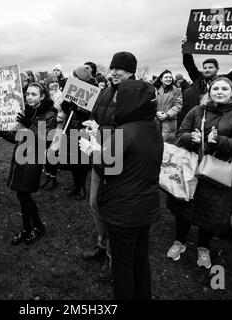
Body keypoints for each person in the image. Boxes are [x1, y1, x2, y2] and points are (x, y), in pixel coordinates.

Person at [80, 78, 163, 300]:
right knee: (140, 259)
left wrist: (92, 150)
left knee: (123, 266)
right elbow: (128, 159)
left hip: (124, 210)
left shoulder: (125, 133)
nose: (117, 102)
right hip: (144, 206)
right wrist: (102, 144)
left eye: (120, 98)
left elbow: (107, 167)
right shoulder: (151, 127)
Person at [166, 77, 232, 269]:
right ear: (209, 92)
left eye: (224, 88)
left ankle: (203, 247)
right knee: (184, 206)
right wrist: (192, 138)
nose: (219, 92)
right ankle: (179, 242)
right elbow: (180, 135)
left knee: (210, 213)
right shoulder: (197, 111)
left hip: (217, 173)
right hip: (190, 169)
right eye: (215, 88)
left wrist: (219, 141)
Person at [84, 51, 139, 281]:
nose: (116, 73)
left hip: (121, 164)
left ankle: (114, 258)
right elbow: (97, 117)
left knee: (115, 212)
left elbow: (134, 129)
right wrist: (92, 125)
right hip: (99, 158)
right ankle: (102, 244)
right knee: (95, 203)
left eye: (122, 70)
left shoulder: (137, 95)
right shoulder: (105, 92)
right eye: (114, 68)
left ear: (131, 72)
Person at [0, 82, 57, 245]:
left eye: (34, 94)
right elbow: (13, 137)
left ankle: (37, 227)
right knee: (21, 194)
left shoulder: (49, 114)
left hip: (33, 158)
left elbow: (45, 140)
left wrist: (29, 124)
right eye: (28, 94)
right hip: (20, 156)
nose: (29, 97)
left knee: (24, 194)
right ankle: (27, 228)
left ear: (43, 96)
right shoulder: (27, 111)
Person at [179, 35, 232, 125]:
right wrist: (185, 47)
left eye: (210, 67)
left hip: (218, 121)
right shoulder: (198, 79)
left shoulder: (225, 80)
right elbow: (189, 63)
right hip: (197, 120)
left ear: (217, 69)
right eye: (205, 68)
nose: (207, 70)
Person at [61, 65, 98, 200]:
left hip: (83, 130)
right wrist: (67, 102)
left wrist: (80, 109)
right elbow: (66, 110)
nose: (73, 78)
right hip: (71, 127)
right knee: (73, 159)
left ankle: (82, 187)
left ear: (81, 78)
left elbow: (92, 113)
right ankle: (76, 185)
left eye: (76, 76)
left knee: (82, 161)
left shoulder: (93, 92)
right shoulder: (73, 89)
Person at [40, 74, 65, 190]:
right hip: (44, 128)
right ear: (47, 84)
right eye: (52, 82)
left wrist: (51, 119)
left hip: (57, 128)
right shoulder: (44, 96)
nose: (55, 84)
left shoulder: (63, 96)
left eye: (56, 82)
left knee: (53, 153)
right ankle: (47, 176)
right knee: (45, 152)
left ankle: (53, 179)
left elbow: (64, 114)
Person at [153, 70, 182, 143]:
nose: (168, 79)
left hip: (169, 122)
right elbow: (151, 103)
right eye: (166, 77)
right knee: (155, 144)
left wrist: (167, 115)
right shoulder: (155, 90)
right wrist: (155, 113)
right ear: (161, 79)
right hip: (156, 121)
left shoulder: (177, 90)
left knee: (168, 146)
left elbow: (178, 105)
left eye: (170, 77)